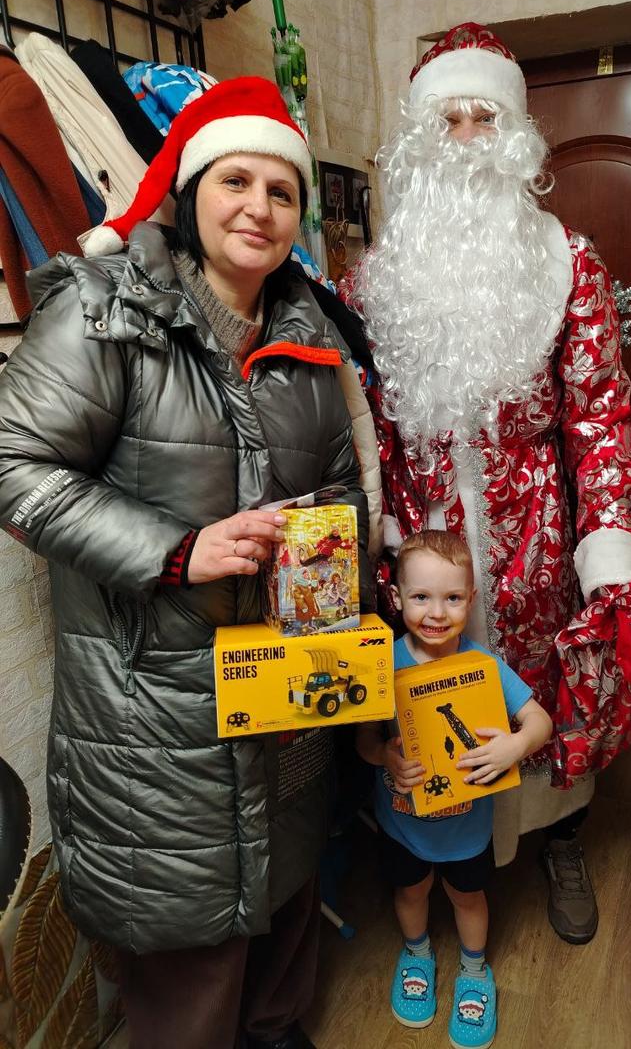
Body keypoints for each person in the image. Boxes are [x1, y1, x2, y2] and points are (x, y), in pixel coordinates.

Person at [0, 77, 374, 1049]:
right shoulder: (105, 309)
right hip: (153, 720)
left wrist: (328, 564)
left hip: (285, 694)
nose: (259, 207)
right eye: (235, 180)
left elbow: (341, 487)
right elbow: (13, 465)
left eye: (282, 191)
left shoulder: (310, 333)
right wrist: (179, 550)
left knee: (284, 912)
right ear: (191, 189)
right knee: (189, 968)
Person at [351, 23, 631, 946]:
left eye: (485, 117)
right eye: (446, 119)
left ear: (517, 134)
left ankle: (560, 838)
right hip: (423, 547)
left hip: (537, 543)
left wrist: (610, 554)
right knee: (429, 698)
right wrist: (372, 539)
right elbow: (363, 428)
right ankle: (435, 856)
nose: (466, 137)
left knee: (542, 691)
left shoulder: (570, 263)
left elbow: (600, 418)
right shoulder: (374, 281)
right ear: (419, 140)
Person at [356, 530, 551, 1048]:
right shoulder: (382, 663)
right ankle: (417, 953)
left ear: (471, 598)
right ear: (398, 597)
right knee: (410, 890)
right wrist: (384, 755)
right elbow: (363, 741)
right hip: (402, 824)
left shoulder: (484, 665)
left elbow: (540, 721)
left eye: (452, 598)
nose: (437, 613)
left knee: (468, 897)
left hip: (466, 830)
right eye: (421, 596)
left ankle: (474, 970)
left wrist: (516, 745)